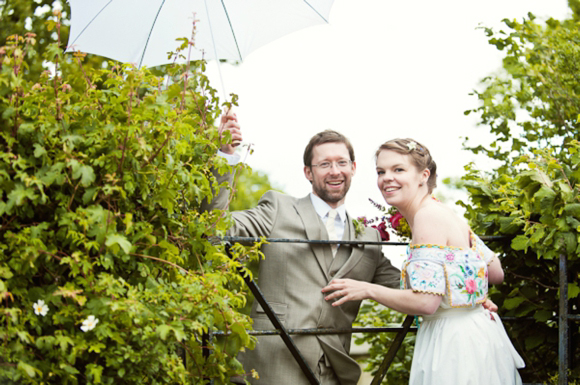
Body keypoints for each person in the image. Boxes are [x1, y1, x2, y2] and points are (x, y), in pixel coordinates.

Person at [205, 113, 401, 385]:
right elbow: (215, 229)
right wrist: (225, 157)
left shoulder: (368, 237)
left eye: (341, 162)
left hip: (334, 375)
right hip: (271, 369)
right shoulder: (277, 210)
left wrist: (468, 294)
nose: (334, 171)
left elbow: (410, 287)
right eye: (324, 164)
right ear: (308, 172)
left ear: (353, 168)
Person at [322, 138, 525, 385]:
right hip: (478, 333)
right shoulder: (445, 212)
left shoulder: (427, 217)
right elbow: (495, 272)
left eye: (398, 169)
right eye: (381, 171)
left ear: (423, 175)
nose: (386, 178)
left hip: (453, 346)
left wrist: (366, 289)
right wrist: (469, 297)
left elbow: (427, 302)